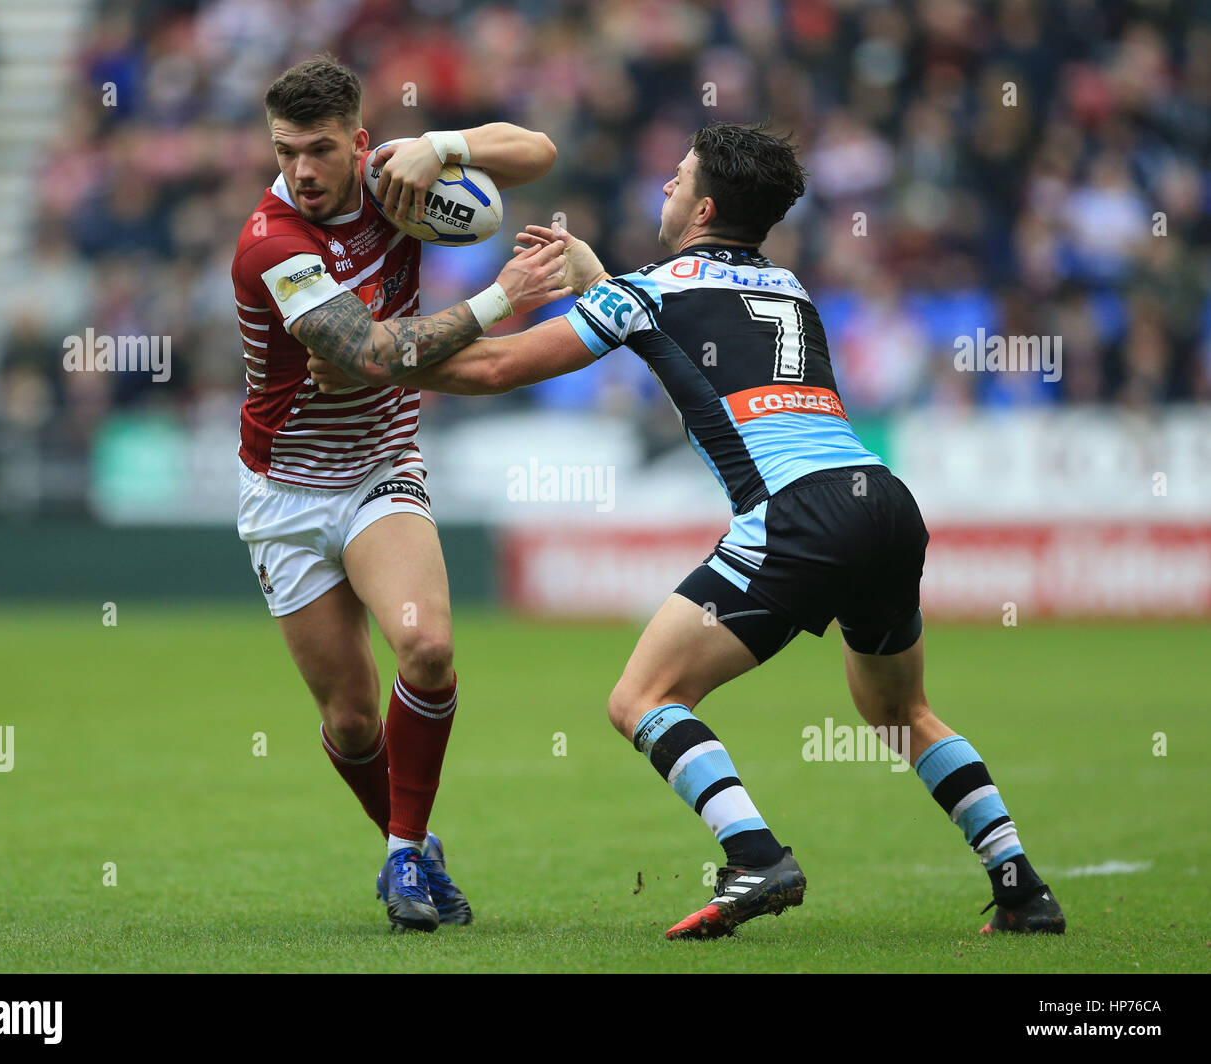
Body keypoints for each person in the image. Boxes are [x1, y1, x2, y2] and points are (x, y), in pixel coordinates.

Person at [312, 122, 1066, 940]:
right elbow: (691, 338)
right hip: (884, 503)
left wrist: (369, 356)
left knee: (643, 698)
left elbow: (496, 366)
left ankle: (756, 857)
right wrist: (603, 278)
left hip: (796, 513)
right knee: (903, 712)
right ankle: (1021, 884)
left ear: (703, 205)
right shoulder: (788, 286)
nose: (663, 189)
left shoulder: (646, 292)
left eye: (675, 179)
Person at [231, 54, 569, 932]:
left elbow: (538, 151)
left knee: (425, 652)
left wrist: (441, 145)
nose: (300, 170)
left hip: (381, 466)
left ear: (359, 141)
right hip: (286, 495)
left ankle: (401, 857)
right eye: (284, 150)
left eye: (317, 149)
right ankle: (413, 841)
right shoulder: (271, 241)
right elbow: (371, 355)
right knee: (349, 723)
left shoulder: (396, 183)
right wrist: (505, 295)